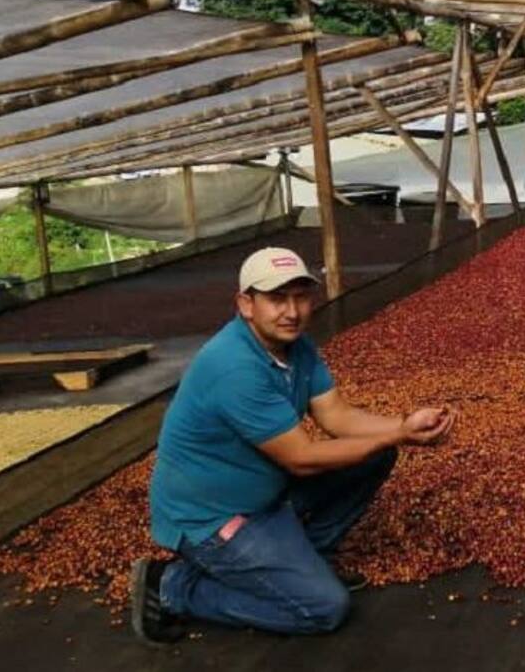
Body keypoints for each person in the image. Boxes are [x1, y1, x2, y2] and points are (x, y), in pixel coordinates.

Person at [130, 247, 456, 644]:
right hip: (213, 517)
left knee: (375, 453)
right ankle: (174, 586)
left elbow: (337, 416)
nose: (292, 311)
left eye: (301, 297)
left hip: (267, 491)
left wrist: (404, 426)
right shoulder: (234, 366)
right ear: (245, 304)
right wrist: (398, 434)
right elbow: (301, 459)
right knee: (325, 608)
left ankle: (306, 560)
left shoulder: (296, 347)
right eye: (277, 299)